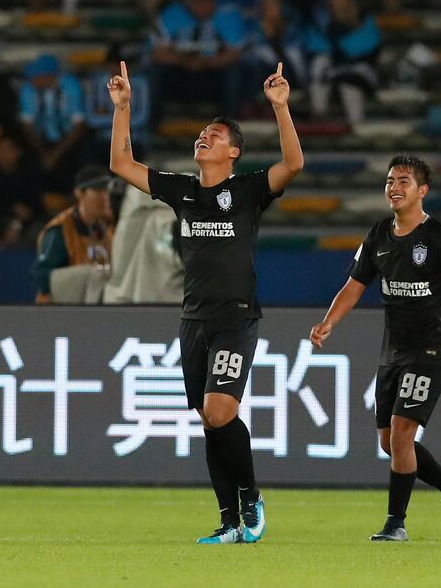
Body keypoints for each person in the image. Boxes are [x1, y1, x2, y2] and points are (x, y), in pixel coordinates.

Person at [107, 60, 303, 544]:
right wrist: (124, 108)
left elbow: (293, 164)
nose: (202, 138)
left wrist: (281, 108)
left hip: (236, 317)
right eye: (200, 133)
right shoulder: (184, 191)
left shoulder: (248, 190)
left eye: (213, 135)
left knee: (220, 411)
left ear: (233, 151)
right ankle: (229, 522)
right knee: (209, 421)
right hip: (193, 319)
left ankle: (251, 496)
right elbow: (121, 165)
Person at [309, 155, 441, 542]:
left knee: (399, 435)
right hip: (392, 350)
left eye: (404, 182)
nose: (394, 187)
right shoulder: (378, 234)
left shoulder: (440, 238)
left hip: (429, 349)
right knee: (390, 442)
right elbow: (354, 285)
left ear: (422, 191)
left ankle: (396, 523)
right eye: (390, 181)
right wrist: (328, 321)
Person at [32, 164, 114, 304]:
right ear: (79, 194)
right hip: (60, 311)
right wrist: (84, 276)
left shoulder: (108, 228)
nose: (105, 196)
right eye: (98, 190)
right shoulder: (60, 230)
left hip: (96, 309)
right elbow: (42, 276)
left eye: (106, 190)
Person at [18, 53, 87, 192]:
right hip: (40, 141)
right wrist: (42, 152)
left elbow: (79, 126)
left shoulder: (71, 86)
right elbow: (26, 124)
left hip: (68, 140)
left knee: (75, 163)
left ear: (50, 76)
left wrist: (55, 155)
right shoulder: (28, 88)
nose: (33, 80)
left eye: (36, 76)